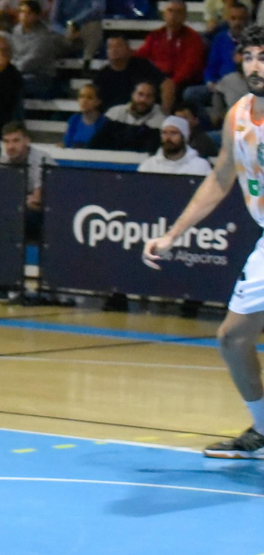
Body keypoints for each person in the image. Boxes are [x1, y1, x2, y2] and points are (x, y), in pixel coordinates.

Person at [143, 26, 264, 457]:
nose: (255, 64)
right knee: (233, 339)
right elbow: (220, 179)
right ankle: (263, 431)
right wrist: (173, 235)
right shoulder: (239, 116)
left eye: (263, 55)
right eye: (249, 56)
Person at [96, 34, 167, 109]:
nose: (114, 49)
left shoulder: (143, 66)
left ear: (128, 49)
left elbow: (167, 83)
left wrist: (165, 111)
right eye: (110, 47)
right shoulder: (102, 75)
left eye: (118, 46)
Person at [139, 115, 213, 175]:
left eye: (173, 133)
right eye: (164, 133)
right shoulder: (148, 165)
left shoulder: (200, 166)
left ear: (184, 137)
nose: (168, 137)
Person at [64, 82, 107, 148]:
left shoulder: (104, 123)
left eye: (89, 98)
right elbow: (67, 143)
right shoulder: (74, 119)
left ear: (98, 101)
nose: (84, 101)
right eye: (81, 96)